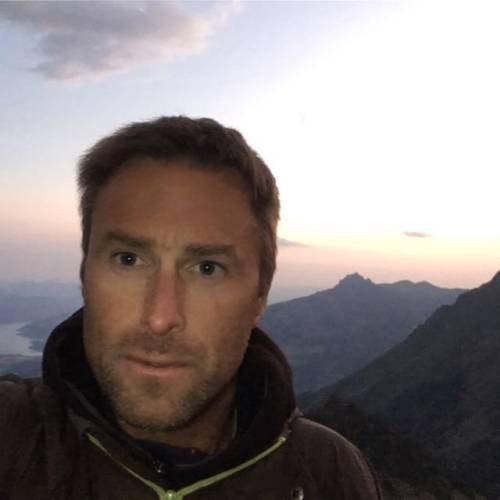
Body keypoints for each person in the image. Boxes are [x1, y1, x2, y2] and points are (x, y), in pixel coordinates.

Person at [0, 116, 382, 499]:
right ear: (85, 275)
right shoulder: (12, 435)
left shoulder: (330, 473)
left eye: (207, 268)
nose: (159, 318)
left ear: (259, 296)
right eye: (128, 260)